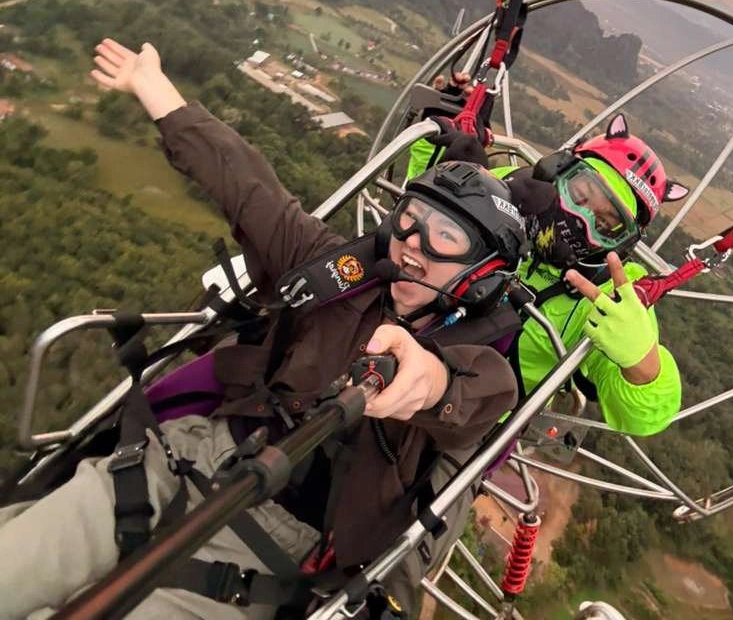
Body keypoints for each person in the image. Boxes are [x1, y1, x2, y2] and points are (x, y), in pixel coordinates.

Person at [0, 39, 528, 620]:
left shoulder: (482, 368)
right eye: (411, 219)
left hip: (270, 555)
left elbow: (464, 393)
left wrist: (423, 379)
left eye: (445, 237)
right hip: (184, 460)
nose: (413, 244)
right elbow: (249, 188)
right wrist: (153, 86)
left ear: (481, 273)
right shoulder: (338, 273)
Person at [408, 80, 687, 436]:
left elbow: (644, 419)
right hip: (400, 336)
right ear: (557, 170)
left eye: (604, 224)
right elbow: (421, 208)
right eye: (581, 195)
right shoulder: (508, 189)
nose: (579, 220)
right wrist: (446, 119)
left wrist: (643, 365)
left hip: (464, 426)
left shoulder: (613, 295)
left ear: (620, 243)